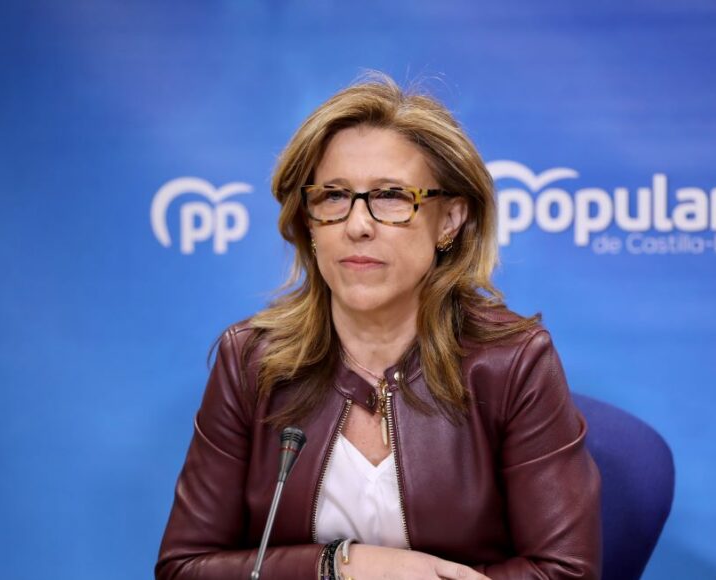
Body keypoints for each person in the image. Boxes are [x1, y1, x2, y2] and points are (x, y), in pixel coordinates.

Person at [155, 72, 601, 579]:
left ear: (450, 220)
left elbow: (565, 572)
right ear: (308, 221)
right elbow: (184, 569)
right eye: (333, 197)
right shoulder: (252, 361)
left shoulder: (511, 362)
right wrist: (339, 567)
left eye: (391, 196)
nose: (357, 224)